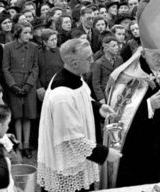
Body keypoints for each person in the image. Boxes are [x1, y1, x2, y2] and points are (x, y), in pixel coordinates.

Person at [103, 0, 160, 188]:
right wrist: (147, 106)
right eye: (155, 56)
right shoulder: (127, 75)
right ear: (143, 52)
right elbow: (118, 117)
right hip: (139, 150)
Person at [37, 38, 122, 192]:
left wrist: (98, 107)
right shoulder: (61, 96)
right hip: (65, 166)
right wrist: (105, 153)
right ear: (75, 63)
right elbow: (72, 140)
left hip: (78, 159)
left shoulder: (75, 78)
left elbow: (83, 98)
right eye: (88, 58)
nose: (93, 60)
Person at [2, 22, 39, 158]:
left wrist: (29, 84)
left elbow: (35, 67)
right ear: (18, 33)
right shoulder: (8, 47)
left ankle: (27, 145)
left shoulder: (34, 47)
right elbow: (5, 68)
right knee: (17, 115)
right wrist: (13, 85)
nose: (28, 36)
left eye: (30, 33)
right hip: (15, 84)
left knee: (28, 115)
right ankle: (18, 144)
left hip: (29, 84)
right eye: (25, 33)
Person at [91, 34, 123, 103]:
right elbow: (96, 83)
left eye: (117, 45)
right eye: (114, 46)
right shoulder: (98, 63)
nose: (117, 47)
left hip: (118, 93)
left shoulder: (119, 60)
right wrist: (101, 98)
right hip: (105, 95)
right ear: (106, 48)